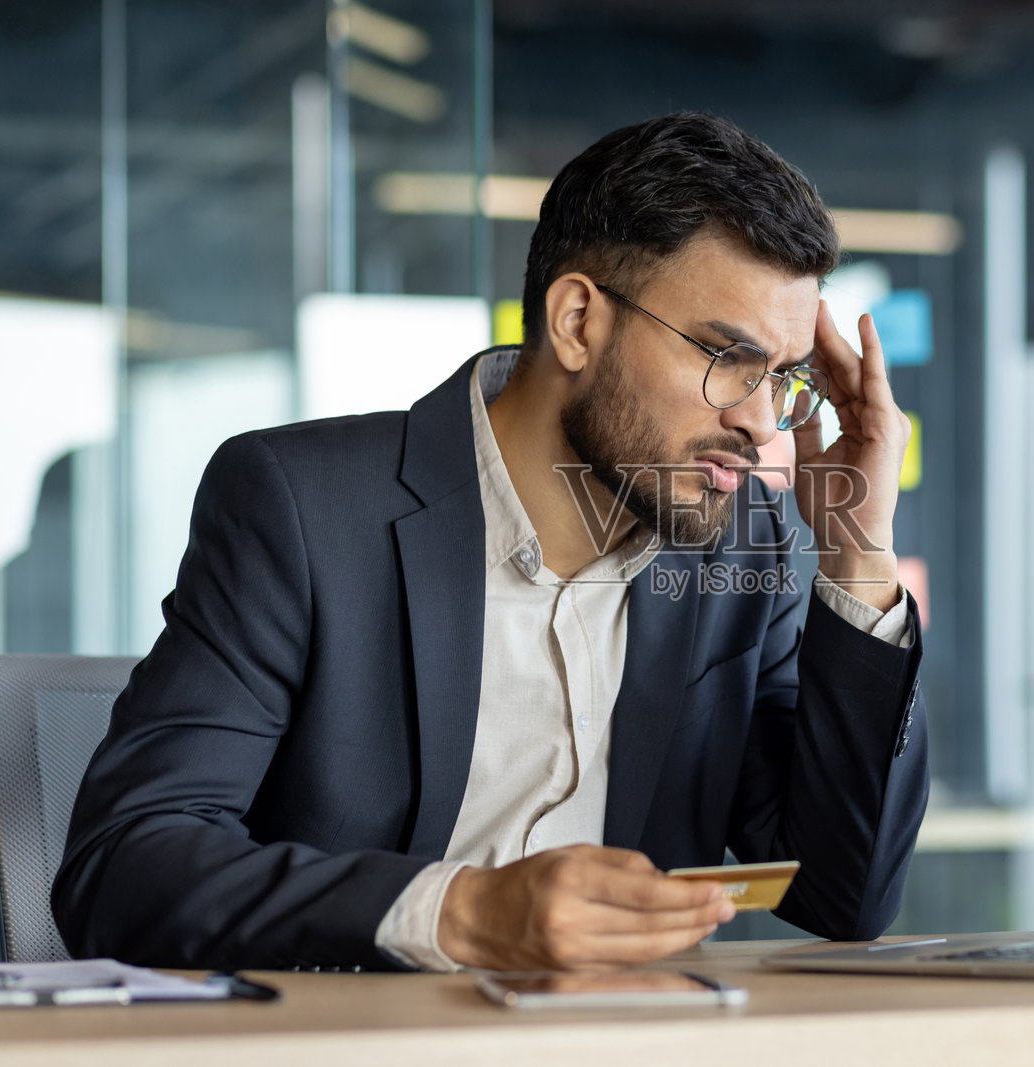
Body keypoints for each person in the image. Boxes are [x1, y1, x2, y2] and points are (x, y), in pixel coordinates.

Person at [54, 111, 928, 972]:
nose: (760, 421)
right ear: (579, 319)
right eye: (727, 358)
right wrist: (465, 910)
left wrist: (860, 548)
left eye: (782, 378)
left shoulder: (746, 547)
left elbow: (842, 894)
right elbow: (124, 864)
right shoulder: (303, 508)